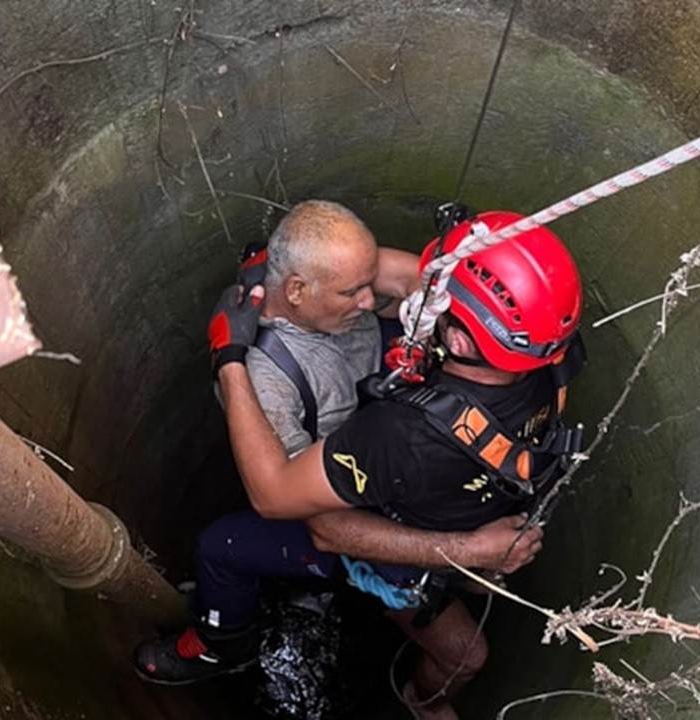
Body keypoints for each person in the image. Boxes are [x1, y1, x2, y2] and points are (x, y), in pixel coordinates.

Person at [140, 208, 580, 719]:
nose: (376, 300)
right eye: (355, 290)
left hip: (390, 492)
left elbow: (288, 501)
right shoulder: (549, 354)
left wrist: (228, 358)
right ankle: (234, 646)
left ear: (460, 338)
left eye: (366, 284)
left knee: (221, 548)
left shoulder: (400, 434)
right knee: (224, 545)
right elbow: (412, 280)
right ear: (300, 291)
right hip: (421, 485)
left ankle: (233, 644)